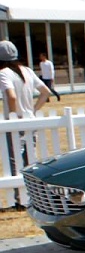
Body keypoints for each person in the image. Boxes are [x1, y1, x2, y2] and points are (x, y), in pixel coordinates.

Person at [1, 40, 51, 172]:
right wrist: (34, 110)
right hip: (30, 121)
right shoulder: (27, 70)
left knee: (14, 162)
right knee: (30, 161)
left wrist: (12, 116)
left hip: (15, 123)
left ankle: (18, 192)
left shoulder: (4, 73)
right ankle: (32, 191)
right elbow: (46, 92)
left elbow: (11, 96)